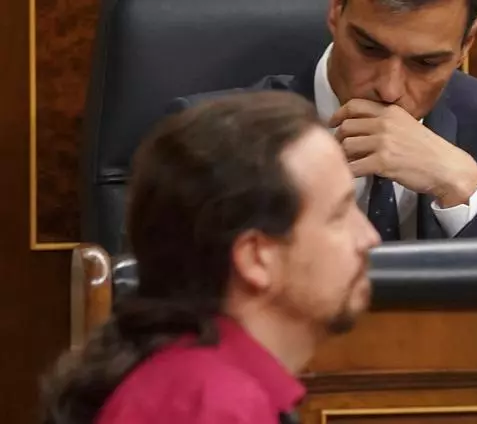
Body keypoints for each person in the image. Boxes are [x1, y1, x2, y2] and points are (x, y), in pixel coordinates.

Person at [40, 91, 380, 424]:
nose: (370, 238)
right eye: (339, 215)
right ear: (256, 258)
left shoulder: (203, 385)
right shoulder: (211, 407)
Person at [170, 0, 477, 241]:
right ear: (336, 10)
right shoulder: (210, 136)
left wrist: (462, 186)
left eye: (426, 63)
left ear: (467, 43)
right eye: (370, 49)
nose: (389, 90)